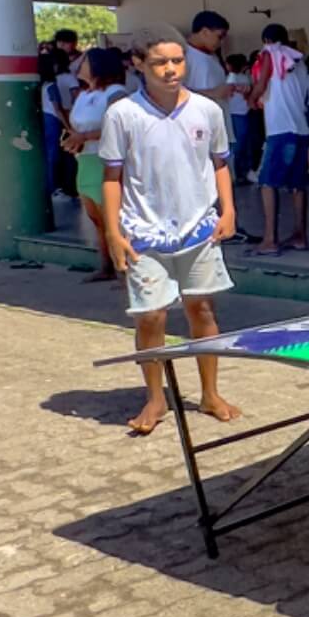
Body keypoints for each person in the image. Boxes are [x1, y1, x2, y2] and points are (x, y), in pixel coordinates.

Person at [98, 24, 240, 435]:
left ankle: (210, 393)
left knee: (202, 309)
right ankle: (156, 398)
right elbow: (112, 176)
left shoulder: (206, 111)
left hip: (199, 229)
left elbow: (219, 164)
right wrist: (113, 232)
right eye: (160, 62)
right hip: (143, 234)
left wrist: (228, 210)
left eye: (177, 60)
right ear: (138, 64)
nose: (171, 69)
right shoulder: (123, 114)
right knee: (151, 316)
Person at [62, 48, 131, 282]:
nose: (80, 65)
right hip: (85, 159)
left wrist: (84, 137)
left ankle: (126, 269)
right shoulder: (83, 94)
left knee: (114, 217)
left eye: (86, 61)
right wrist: (73, 138)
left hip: (107, 161)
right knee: (97, 218)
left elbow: (119, 128)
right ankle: (107, 265)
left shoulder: (116, 93)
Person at [248, 24, 309, 254]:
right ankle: (300, 235)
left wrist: (251, 97)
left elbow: (262, 83)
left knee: (267, 182)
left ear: (266, 39)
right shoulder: (299, 62)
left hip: (280, 130)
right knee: (298, 186)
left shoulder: (270, 53)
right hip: (301, 130)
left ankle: (269, 239)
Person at [183, 12, 237, 181]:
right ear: (204, 31)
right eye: (219, 37)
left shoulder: (212, 57)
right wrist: (213, 93)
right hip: (196, 130)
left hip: (218, 127)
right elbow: (173, 92)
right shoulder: (183, 56)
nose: (221, 42)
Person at [39, 51, 77, 200]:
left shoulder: (43, 85)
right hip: (53, 121)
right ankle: (54, 188)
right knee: (53, 155)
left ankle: (52, 186)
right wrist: (68, 126)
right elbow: (58, 109)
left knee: (49, 155)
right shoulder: (51, 86)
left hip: (45, 119)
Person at [224, 54, 254, 183]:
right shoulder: (233, 78)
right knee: (239, 144)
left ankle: (241, 171)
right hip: (236, 113)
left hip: (241, 112)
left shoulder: (241, 77)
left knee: (243, 143)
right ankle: (236, 172)